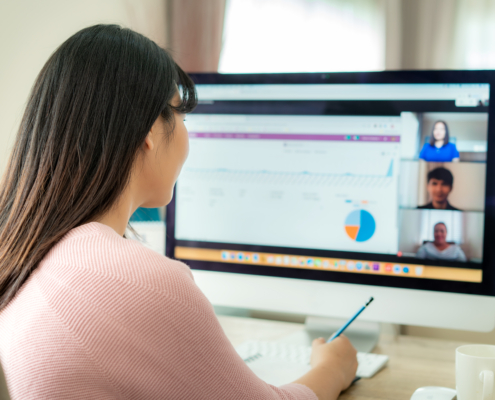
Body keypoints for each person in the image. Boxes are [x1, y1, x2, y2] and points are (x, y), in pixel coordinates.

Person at [0, 25, 357, 400]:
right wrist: (333, 368)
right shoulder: (136, 279)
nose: (186, 134)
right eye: (182, 117)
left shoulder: (25, 251)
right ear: (151, 130)